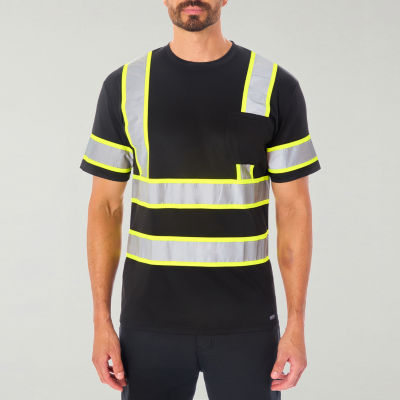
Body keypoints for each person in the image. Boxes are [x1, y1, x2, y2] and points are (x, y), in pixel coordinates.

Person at [79, 1, 321, 399]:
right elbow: (105, 207)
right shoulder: (124, 86)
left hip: (247, 327)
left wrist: (296, 324)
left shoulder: (275, 85)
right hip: (148, 325)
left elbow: (295, 210)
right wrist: (101, 321)